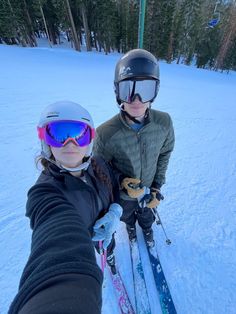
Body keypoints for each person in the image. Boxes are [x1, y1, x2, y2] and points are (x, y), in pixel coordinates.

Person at [9, 100, 122, 314]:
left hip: (105, 226)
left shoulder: (99, 165)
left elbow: (113, 186)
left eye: (79, 134)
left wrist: (115, 210)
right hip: (82, 238)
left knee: (108, 244)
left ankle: (110, 256)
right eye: (59, 134)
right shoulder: (45, 192)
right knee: (94, 246)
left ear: (89, 140)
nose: (70, 143)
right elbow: (57, 237)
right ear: (46, 141)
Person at [93, 49, 175, 248]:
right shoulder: (106, 132)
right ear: (117, 92)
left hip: (148, 189)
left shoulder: (163, 123)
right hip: (124, 196)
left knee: (147, 214)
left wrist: (156, 187)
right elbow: (98, 167)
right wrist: (121, 181)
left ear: (155, 91)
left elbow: (164, 153)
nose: (136, 99)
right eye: (128, 89)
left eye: (145, 89)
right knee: (128, 215)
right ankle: (130, 227)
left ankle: (147, 229)